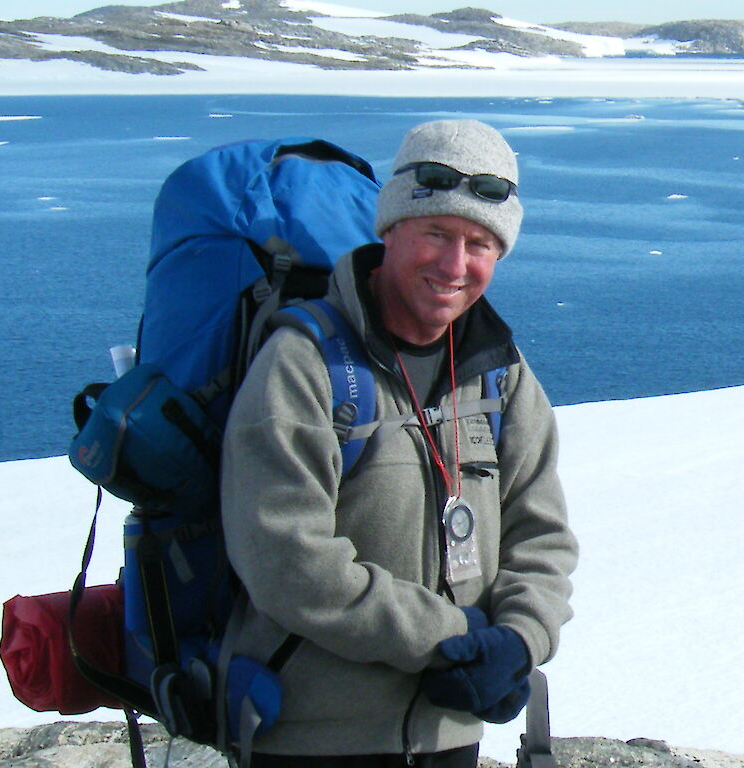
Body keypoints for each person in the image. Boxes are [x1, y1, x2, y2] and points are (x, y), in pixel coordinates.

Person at [218, 119, 578, 767]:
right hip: (314, 738)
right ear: (389, 230)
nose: (454, 264)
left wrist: (520, 640)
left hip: (451, 731)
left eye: (479, 244)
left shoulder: (500, 371)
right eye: (435, 233)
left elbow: (541, 534)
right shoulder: (304, 364)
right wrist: (451, 640)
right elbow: (286, 562)